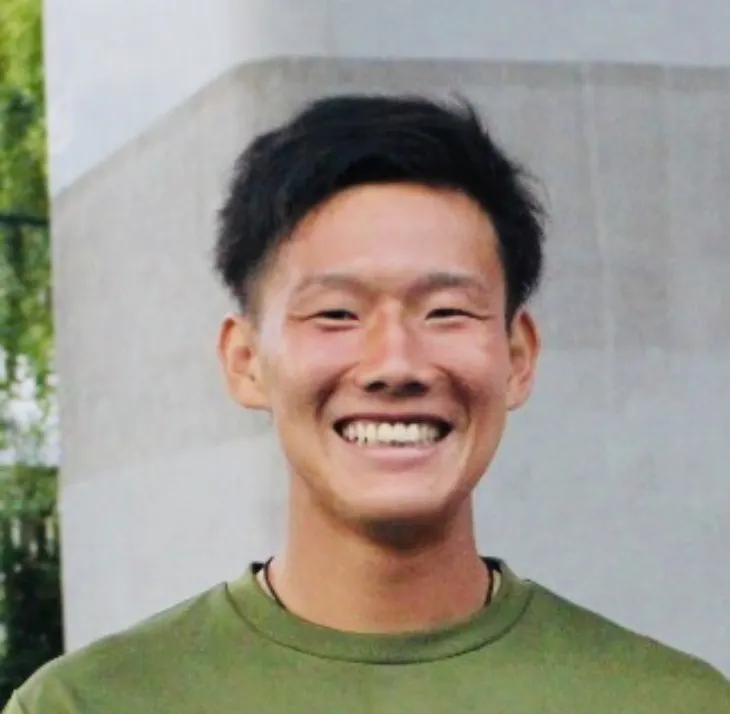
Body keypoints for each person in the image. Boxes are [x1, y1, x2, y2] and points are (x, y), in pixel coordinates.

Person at [5, 94, 729, 713]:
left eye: (446, 312)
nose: (395, 364)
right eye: (336, 314)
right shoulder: (87, 704)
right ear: (246, 360)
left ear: (517, 356)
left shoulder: (670, 702)